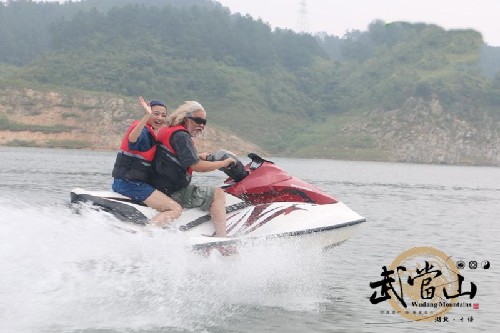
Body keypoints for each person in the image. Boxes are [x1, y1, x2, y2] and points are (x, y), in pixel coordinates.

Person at [151, 101, 236, 237]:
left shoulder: (169, 130)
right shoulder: (182, 136)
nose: (201, 125)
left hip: (157, 186)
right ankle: (222, 239)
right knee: (218, 193)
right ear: (186, 119)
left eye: (204, 122)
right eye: (197, 120)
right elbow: (197, 166)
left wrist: (198, 156)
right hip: (172, 190)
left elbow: (175, 156)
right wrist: (223, 163)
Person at [112, 96, 182, 226]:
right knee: (175, 208)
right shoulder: (143, 132)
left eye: (163, 115)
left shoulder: (151, 134)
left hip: (127, 182)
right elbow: (132, 138)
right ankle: (148, 235)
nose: (160, 118)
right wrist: (146, 116)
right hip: (130, 184)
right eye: (155, 114)